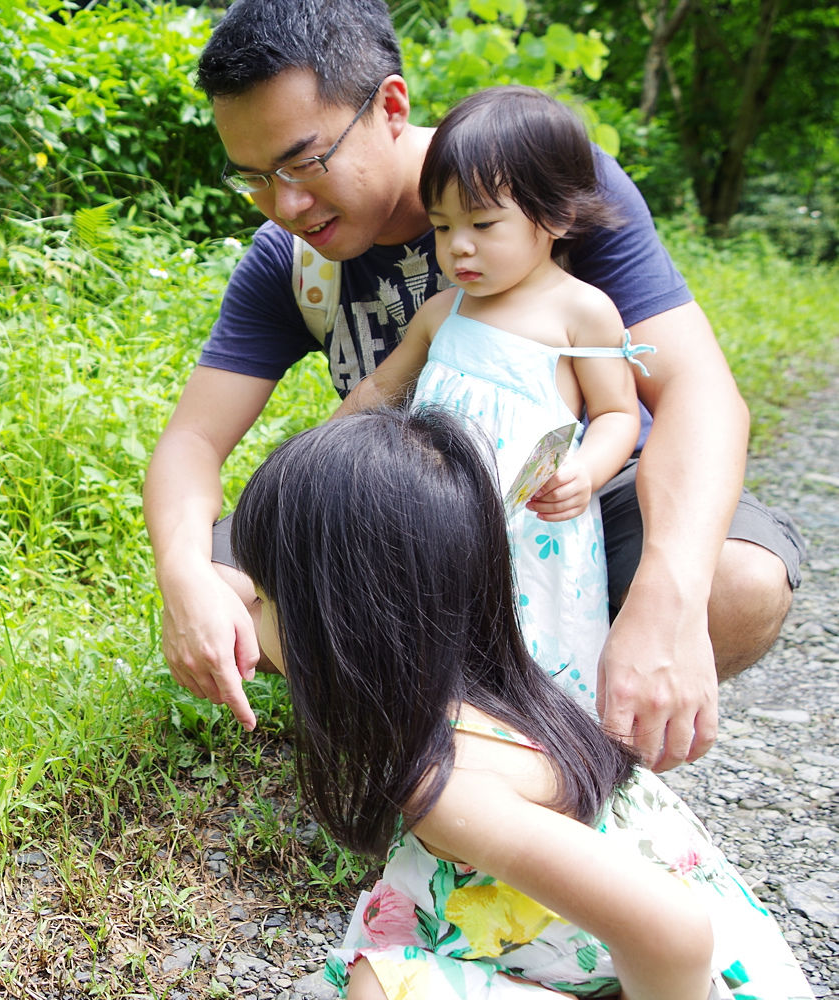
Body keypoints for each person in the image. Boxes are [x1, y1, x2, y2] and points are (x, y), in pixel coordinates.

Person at [143, 0, 806, 769]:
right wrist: (182, 573)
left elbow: (700, 393)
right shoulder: (286, 260)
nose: (286, 204)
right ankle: (464, 737)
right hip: (415, 517)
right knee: (224, 576)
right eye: (256, 179)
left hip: (569, 504)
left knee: (738, 580)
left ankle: (585, 729)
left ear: (389, 107)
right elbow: (192, 440)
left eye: (303, 162)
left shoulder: (538, 178)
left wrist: (669, 588)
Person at [231, 408, 815, 999]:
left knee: (384, 988)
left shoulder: (448, 783)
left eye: (260, 595)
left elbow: (670, 928)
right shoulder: (497, 695)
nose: (251, 614)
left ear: (336, 624)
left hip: (690, 981)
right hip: (667, 959)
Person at [336, 85, 650, 711]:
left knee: (537, 656)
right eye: (444, 226)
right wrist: (324, 446)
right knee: (436, 650)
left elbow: (616, 412)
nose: (459, 246)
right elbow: (377, 391)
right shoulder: (443, 310)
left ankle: (558, 756)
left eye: (482, 224)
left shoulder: (582, 311)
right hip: (437, 518)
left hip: (533, 528)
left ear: (557, 216)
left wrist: (583, 474)